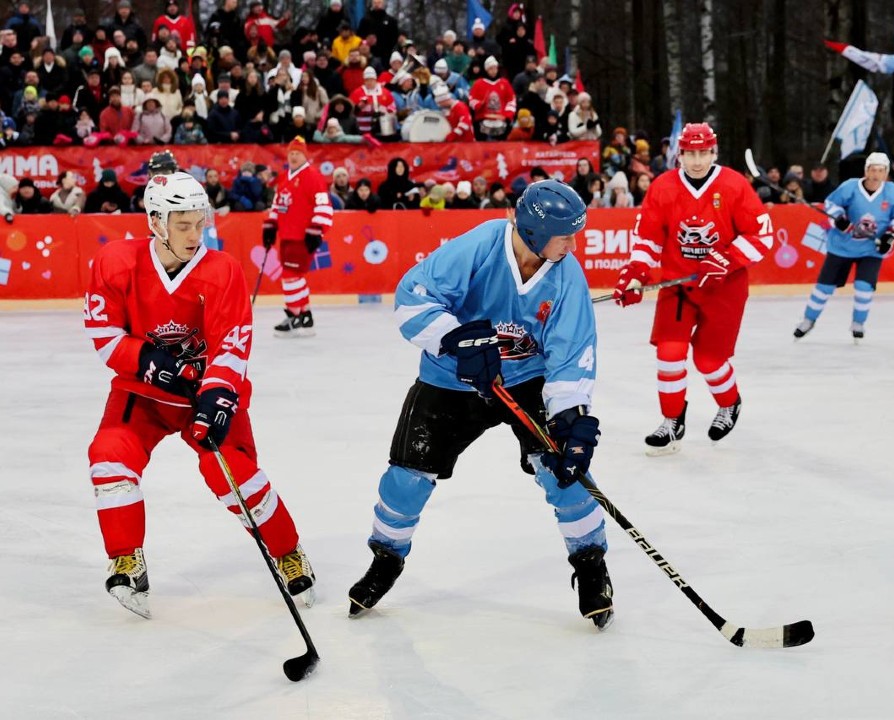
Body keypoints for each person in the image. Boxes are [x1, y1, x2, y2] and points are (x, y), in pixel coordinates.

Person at [347, 179, 614, 630]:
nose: (574, 243)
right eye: (566, 233)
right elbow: (412, 298)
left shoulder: (568, 275)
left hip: (526, 380)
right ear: (532, 230)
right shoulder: (482, 245)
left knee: (565, 471)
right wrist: (454, 340)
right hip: (449, 381)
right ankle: (386, 559)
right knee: (406, 477)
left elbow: (570, 353)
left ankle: (591, 565)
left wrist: (572, 416)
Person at [83, 171, 315, 619]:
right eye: (183, 224)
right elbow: (104, 332)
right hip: (143, 394)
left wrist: (217, 394)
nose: (196, 234)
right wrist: (146, 359)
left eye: (199, 222)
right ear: (156, 222)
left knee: (230, 472)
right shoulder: (114, 262)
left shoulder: (221, 269)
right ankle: (127, 559)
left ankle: (286, 551)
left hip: (204, 397)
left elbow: (232, 342)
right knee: (109, 454)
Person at [613, 122, 774, 455]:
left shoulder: (734, 185)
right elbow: (648, 239)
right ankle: (672, 422)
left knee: (709, 360)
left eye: (704, 153)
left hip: (724, 289)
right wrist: (635, 274)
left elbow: (762, 236)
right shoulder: (663, 187)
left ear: (714, 153)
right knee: (669, 353)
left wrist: (725, 260)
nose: (697, 160)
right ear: (680, 155)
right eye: (690, 153)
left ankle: (729, 403)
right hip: (680, 287)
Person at [793, 152, 894, 342]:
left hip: (871, 248)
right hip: (842, 246)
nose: (876, 175)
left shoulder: (892, 191)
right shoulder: (850, 187)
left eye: (881, 171)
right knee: (824, 287)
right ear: (866, 170)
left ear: (886, 172)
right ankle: (808, 319)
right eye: (873, 169)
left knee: (864, 286)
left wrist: (891, 235)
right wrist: (839, 219)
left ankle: (858, 323)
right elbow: (831, 204)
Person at [261, 136, 334, 337]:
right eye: (291, 153)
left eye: (297, 153)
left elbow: (323, 205)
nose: (293, 156)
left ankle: (293, 315)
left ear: (304, 155)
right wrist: (270, 226)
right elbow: (278, 205)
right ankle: (305, 314)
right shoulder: (284, 177)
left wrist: (317, 229)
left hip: (302, 237)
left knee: (290, 276)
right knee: (295, 275)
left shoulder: (313, 176)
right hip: (286, 235)